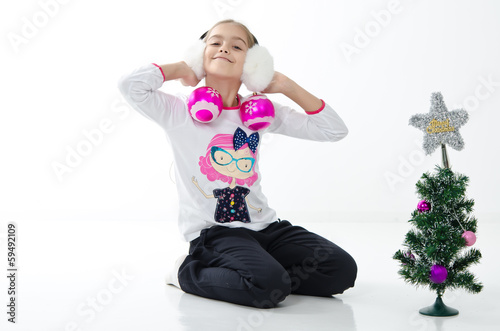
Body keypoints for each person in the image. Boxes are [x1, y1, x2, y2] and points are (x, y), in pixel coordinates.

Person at [118, 19, 357, 308]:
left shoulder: (260, 113)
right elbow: (130, 86)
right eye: (214, 43)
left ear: (253, 63)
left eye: (237, 45)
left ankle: (261, 275)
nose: (224, 49)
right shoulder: (178, 111)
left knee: (341, 270)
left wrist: (284, 85)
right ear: (200, 54)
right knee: (268, 286)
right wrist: (183, 68)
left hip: (267, 228)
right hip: (216, 233)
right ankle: (185, 272)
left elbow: (334, 130)